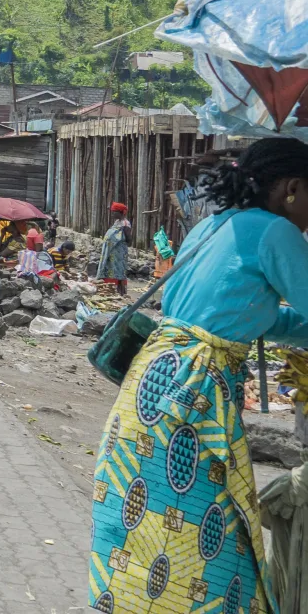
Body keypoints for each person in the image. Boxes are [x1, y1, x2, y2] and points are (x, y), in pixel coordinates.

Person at [89, 137, 308, 613]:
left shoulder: (211, 225)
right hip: (196, 389)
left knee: (141, 528)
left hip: (151, 381)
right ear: (292, 188)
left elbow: (256, 317)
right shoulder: (277, 233)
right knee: (209, 536)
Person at [95, 201, 132, 295]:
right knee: (109, 268)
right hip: (111, 252)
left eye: (114, 212)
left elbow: (129, 239)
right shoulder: (117, 222)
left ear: (120, 213)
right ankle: (108, 289)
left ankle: (119, 291)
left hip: (119, 252)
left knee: (118, 270)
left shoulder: (125, 224)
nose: (112, 214)